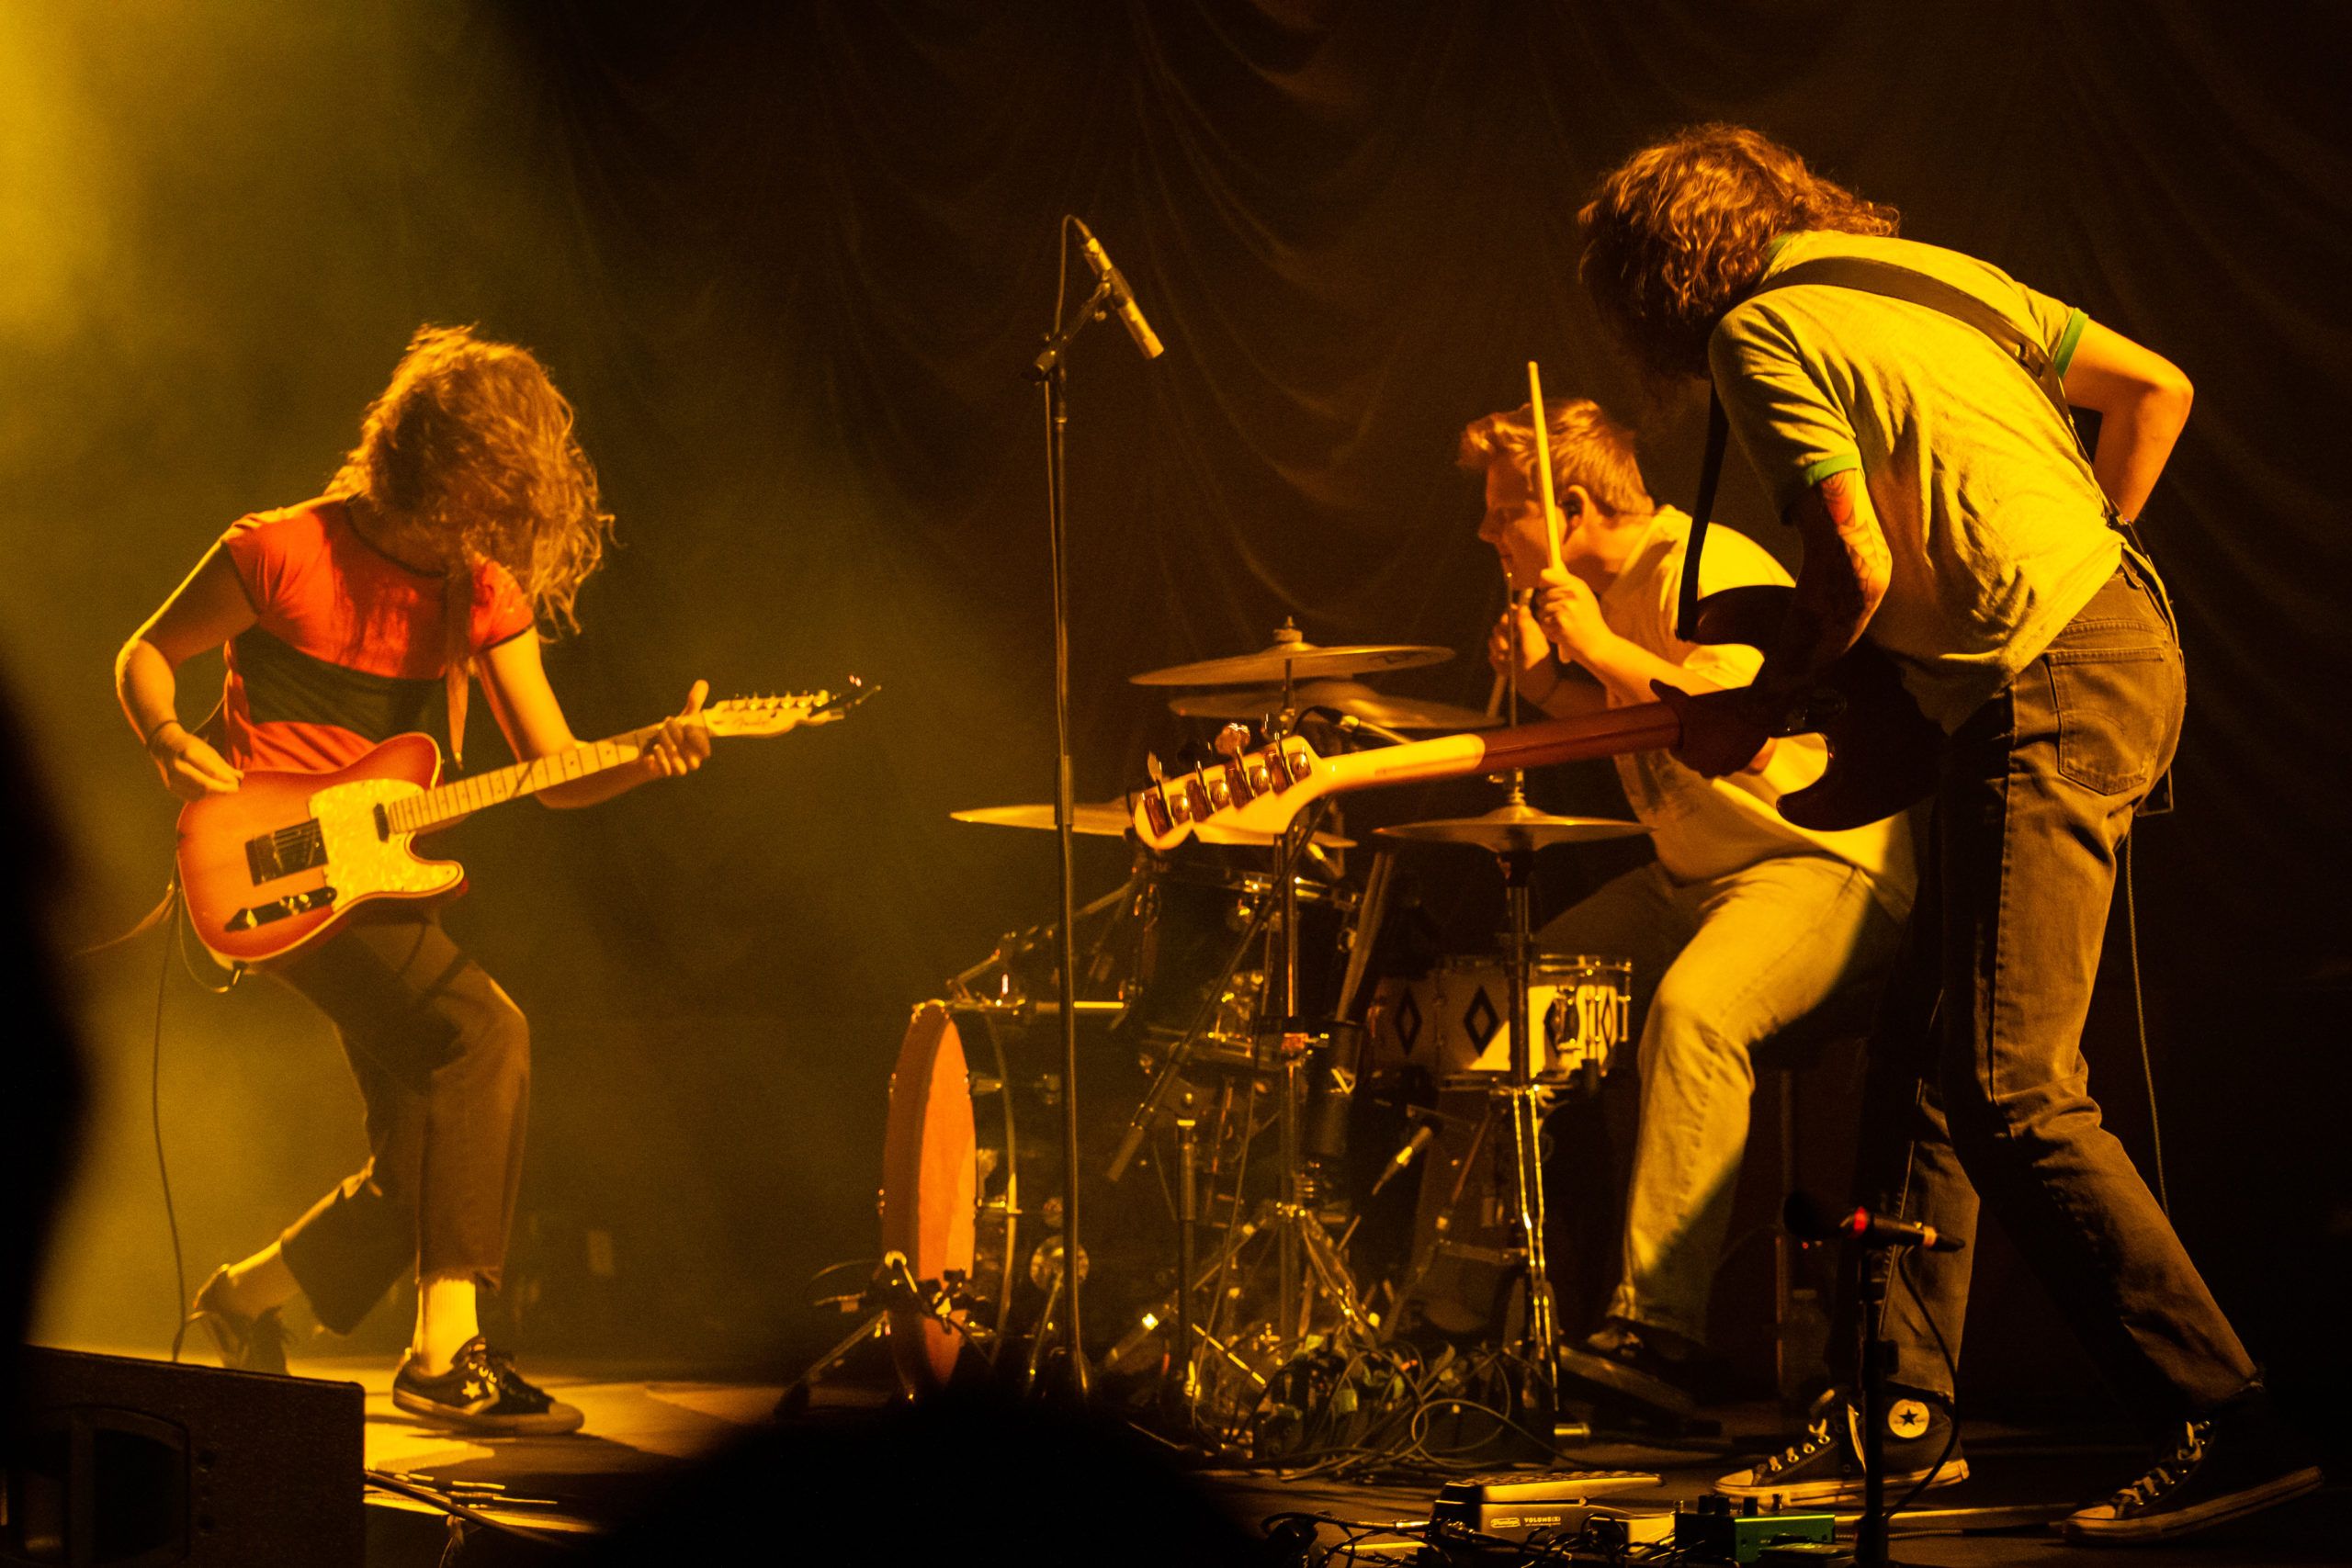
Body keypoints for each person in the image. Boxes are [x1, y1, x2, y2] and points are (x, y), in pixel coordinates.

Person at [1577, 126, 2321, 1540]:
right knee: (1932, 1049)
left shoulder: (1757, 330)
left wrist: (1772, 699)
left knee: (2008, 1079)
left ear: (1654, 281)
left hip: (2047, 675)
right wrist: (2076, 541)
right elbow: (2154, 388)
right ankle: (1892, 1410)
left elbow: (1852, 565)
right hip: (2099, 643)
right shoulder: (1930, 276)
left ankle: (2229, 1415)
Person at [115, 325, 711, 1436]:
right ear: (424, 468)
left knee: (431, 1165)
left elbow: (551, 772)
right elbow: (145, 651)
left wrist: (647, 756)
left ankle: (245, 1299)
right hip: (270, 876)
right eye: (472, 508)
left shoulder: (477, 595)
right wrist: (161, 733)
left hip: (384, 879)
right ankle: (448, 1354)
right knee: (485, 1038)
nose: (484, 537)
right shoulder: (280, 551)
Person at [1464, 398, 1913, 1423]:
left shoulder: (1703, 565)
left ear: (1569, 506)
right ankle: (1466, 1308)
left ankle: (1656, 1331)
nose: (1487, 535)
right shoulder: (1602, 589)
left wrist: (1597, 648)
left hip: (1814, 862)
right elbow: (1634, 726)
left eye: (1502, 513)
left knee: (1695, 1013)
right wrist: (1549, 687)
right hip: (1693, 878)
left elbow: (1731, 723)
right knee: (1510, 992)